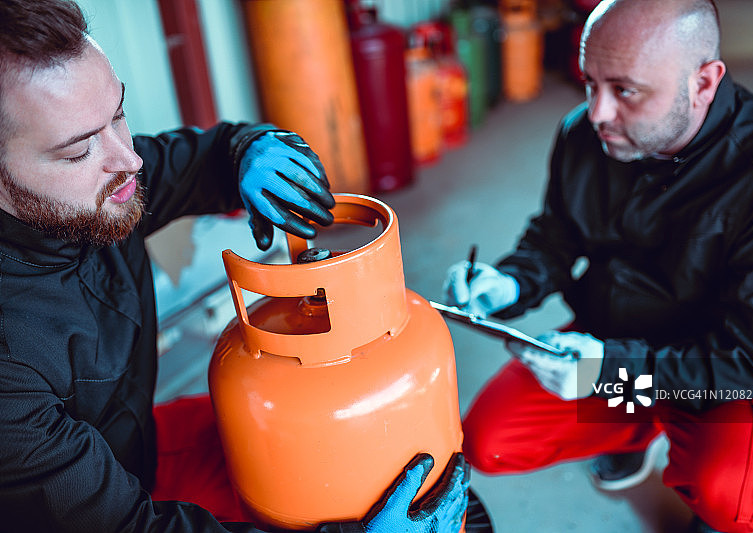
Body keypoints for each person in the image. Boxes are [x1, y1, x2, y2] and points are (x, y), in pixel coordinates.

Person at [0, 0, 470, 531]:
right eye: (78, 152)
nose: (127, 159)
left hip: (138, 445)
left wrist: (250, 149)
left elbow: (199, 158)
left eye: (118, 115)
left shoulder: (96, 185)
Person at [443, 0, 753, 532]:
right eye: (590, 83)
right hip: (614, 344)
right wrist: (509, 281)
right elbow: (557, 235)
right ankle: (633, 431)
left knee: (732, 494)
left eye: (625, 90)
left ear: (703, 82)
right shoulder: (582, 134)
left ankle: (703, 494)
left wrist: (609, 371)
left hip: (719, 373)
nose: (597, 112)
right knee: (488, 441)